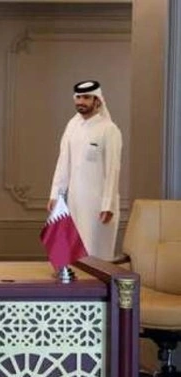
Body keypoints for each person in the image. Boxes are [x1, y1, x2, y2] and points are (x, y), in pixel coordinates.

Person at [48, 80, 122, 260]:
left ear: (97, 100)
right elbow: (63, 163)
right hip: (73, 200)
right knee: (70, 250)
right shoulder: (72, 126)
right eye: (78, 97)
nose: (81, 101)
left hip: (97, 203)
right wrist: (55, 194)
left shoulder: (109, 130)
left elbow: (113, 170)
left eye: (86, 97)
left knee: (95, 252)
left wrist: (108, 204)